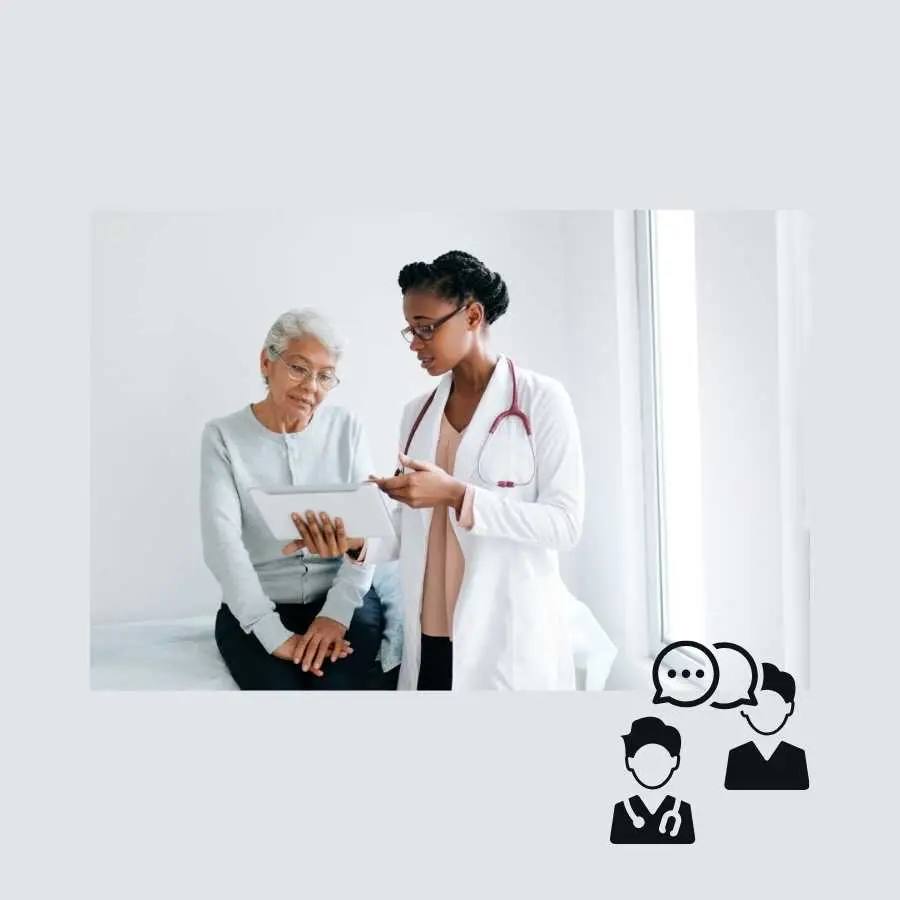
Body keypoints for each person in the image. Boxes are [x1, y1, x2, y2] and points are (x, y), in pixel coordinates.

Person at [286, 251, 616, 690]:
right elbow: (408, 531)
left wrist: (458, 496)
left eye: (426, 328)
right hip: (430, 634)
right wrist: (355, 539)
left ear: (473, 315)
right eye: (410, 330)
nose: (415, 343)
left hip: (506, 636)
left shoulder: (542, 400)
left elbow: (565, 525)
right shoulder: (416, 414)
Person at [200, 308, 395, 690]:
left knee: (336, 689)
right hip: (257, 607)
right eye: (299, 368)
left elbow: (369, 533)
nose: (311, 387)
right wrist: (272, 633)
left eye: (325, 376)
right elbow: (222, 545)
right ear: (266, 362)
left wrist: (336, 614)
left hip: (344, 599)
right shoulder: (222, 437)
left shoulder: (347, 428)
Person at [609, 716, 696, 844]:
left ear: (675, 761)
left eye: (659, 759)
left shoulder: (682, 810)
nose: (652, 767)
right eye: (645, 760)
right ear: (630, 762)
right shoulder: (622, 810)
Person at [724, 662, 809, 789]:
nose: (765, 712)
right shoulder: (737, 757)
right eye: (758, 706)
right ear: (744, 709)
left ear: (789, 707)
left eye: (773, 705)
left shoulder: (796, 758)